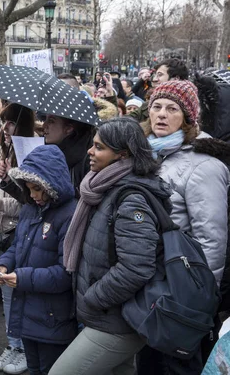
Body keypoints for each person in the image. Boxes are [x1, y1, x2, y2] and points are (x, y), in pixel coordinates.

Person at [49, 117, 171, 375]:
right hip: (108, 316)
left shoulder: (131, 199)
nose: (90, 152)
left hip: (117, 320)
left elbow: (137, 267)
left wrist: (93, 297)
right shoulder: (104, 187)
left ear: (122, 154)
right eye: (92, 145)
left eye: (99, 147)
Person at [136, 80, 230, 374]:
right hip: (150, 287)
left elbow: (212, 241)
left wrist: (197, 303)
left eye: (172, 108)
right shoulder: (150, 154)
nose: (162, 114)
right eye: (157, 106)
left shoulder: (204, 165)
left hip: (180, 294)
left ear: (188, 118)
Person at [0, 144, 77, 375]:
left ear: (52, 184)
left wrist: (21, 277)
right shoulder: (31, 209)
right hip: (28, 311)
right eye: (29, 189)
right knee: (33, 369)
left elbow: (64, 273)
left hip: (53, 318)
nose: (33, 195)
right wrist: (3, 263)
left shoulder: (69, 215)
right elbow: (18, 246)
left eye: (38, 189)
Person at [0, 104, 35, 374]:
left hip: (19, 230)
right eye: (3, 122)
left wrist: (2, 201)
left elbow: (32, 201)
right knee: (6, 293)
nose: (5, 129)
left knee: (20, 294)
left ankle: (24, 349)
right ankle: (12, 344)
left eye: (11, 123)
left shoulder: (30, 152)